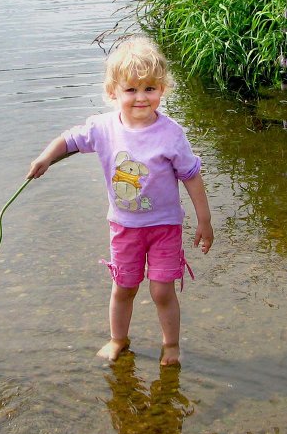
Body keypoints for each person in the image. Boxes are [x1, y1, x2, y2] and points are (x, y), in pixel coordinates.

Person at [28, 36, 213, 366]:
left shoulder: (171, 134)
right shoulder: (103, 128)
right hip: (125, 227)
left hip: (165, 227)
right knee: (124, 287)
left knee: (161, 291)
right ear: (113, 92)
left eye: (150, 89)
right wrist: (45, 158)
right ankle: (118, 340)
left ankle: (170, 346)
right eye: (131, 90)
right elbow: (69, 139)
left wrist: (205, 220)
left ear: (163, 89)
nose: (141, 97)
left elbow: (191, 176)